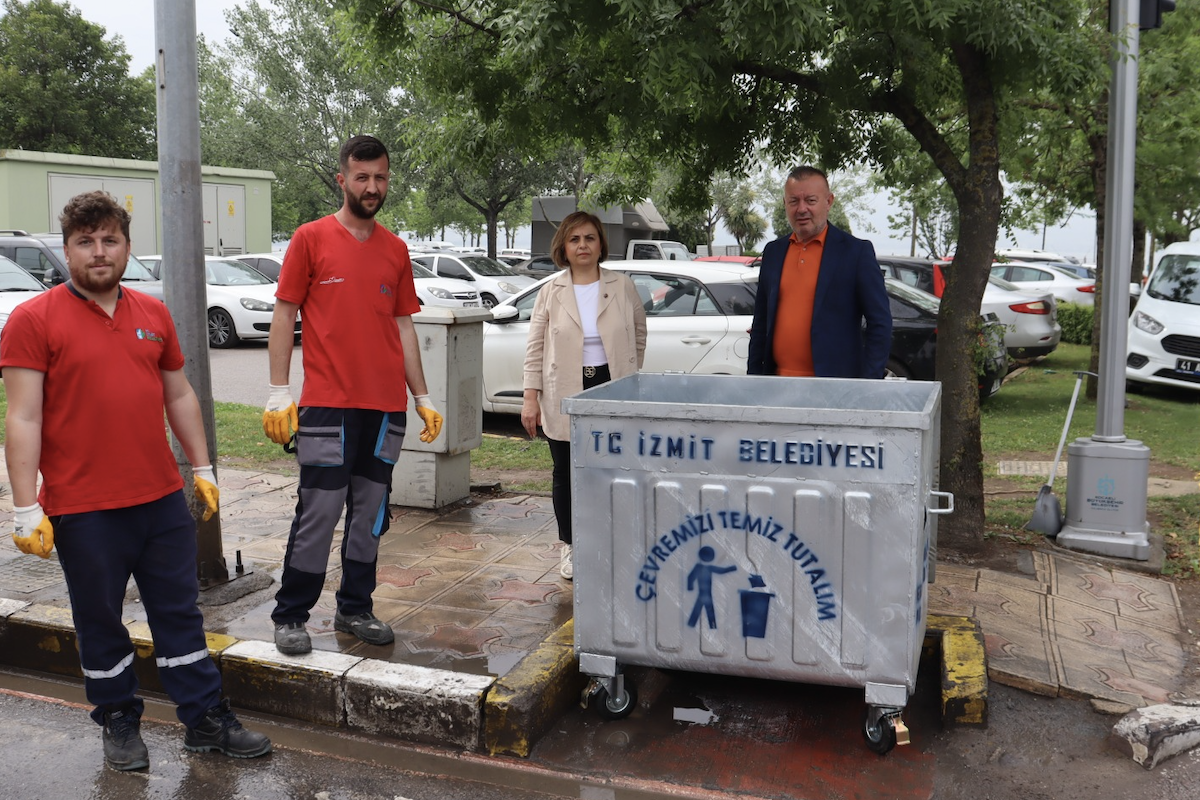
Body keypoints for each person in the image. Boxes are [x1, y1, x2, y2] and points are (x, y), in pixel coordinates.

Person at [1, 191, 271, 771]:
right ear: (66, 249)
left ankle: (203, 718)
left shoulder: (154, 314)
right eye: (85, 241)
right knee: (99, 619)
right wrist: (24, 507)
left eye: (110, 240)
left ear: (127, 246)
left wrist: (201, 468)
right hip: (84, 508)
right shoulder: (33, 319)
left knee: (180, 615)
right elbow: (22, 416)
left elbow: (179, 393)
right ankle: (119, 718)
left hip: (159, 502)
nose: (99, 252)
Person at [262, 135, 443, 656]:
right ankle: (291, 614)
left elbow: (404, 327)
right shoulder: (310, 239)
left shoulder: (395, 250)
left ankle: (355, 608)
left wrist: (423, 396)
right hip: (328, 408)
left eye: (380, 177)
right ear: (342, 179)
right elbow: (284, 313)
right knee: (320, 509)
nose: (372, 186)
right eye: (361, 177)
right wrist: (279, 391)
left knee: (370, 511)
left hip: (385, 409)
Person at [521, 211, 647, 580]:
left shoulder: (621, 286)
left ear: (600, 244)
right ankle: (572, 544)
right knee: (566, 471)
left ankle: (612, 538)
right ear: (563, 245)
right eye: (575, 239)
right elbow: (535, 347)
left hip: (611, 387)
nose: (583, 246)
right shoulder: (551, 290)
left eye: (590, 238)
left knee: (613, 467)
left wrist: (629, 372)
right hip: (565, 389)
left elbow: (639, 333)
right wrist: (531, 397)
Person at [748, 166, 892, 378]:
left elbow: (880, 323)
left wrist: (868, 384)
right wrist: (753, 377)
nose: (802, 209)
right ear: (785, 204)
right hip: (776, 385)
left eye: (811, 200)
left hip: (835, 389)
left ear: (829, 201)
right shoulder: (773, 252)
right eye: (794, 201)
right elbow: (761, 321)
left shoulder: (855, 252)